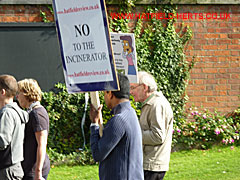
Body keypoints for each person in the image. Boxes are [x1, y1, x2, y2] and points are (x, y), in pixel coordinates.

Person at [90, 73, 144, 180]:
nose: (104, 97)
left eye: (104, 92)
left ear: (110, 93)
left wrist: (94, 124)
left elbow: (97, 154)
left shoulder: (119, 120)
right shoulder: (131, 113)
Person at [130, 71, 174, 180]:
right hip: (148, 163)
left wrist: (135, 134)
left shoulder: (157, 104)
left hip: (153, 166)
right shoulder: (150, 103)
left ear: (144, 87)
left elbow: (157, 136)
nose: (130, 92)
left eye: (133, 88)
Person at [17, 79, 50, 180]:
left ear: (27, 93)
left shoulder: (37, 114)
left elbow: (42, 144)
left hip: (34, 170)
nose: (17, 96)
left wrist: (38, 172)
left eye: (19, 93)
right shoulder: (31, 111)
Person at [0, 74, 29, 180]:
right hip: (13, 167)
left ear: (2, 92)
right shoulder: (16, 111)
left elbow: (2, 141)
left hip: (7, 171)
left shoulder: (6, 113)